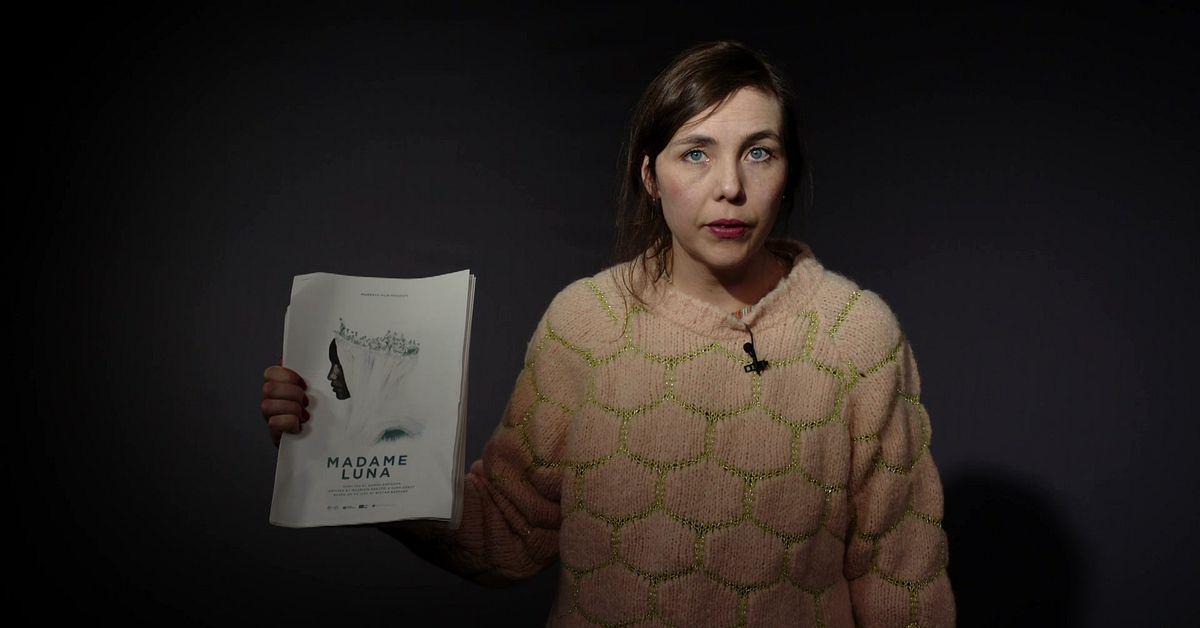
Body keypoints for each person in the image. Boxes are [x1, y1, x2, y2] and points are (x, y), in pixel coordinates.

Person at [261, 40, 955, 627]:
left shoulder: (856, 336)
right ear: (649, 173)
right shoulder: (584, 324)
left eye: (759, 152)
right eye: (696, 153)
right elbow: (507, 535)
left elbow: (903, 581)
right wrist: (337, 446)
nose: (730, 187)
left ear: (787, 170)